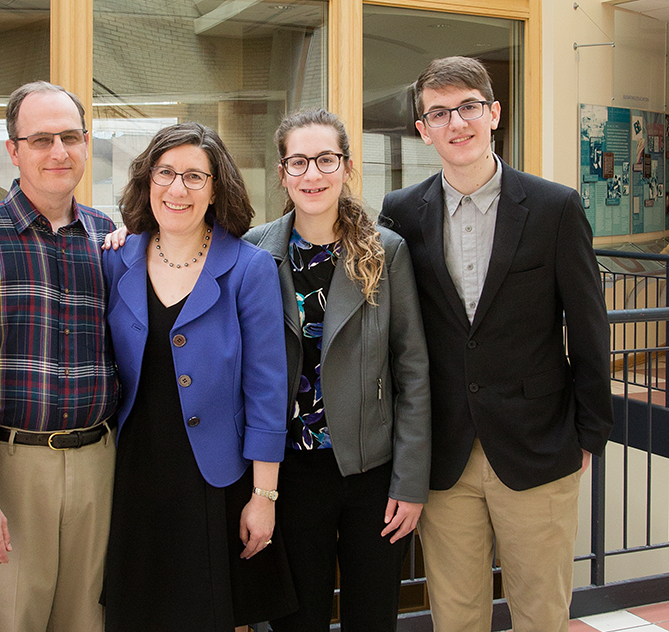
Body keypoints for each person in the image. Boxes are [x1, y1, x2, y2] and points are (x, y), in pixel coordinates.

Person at [379, 56, 613, 632]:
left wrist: (590, 434)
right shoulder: (401, 213)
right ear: (423, 129)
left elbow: (588, 327)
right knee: (456, 618)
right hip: (445, 455)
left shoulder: (556, 207)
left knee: (541, 614)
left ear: (494, 114)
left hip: (539, 447)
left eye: (469, 108)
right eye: (440, 113)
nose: (456, 123)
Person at [0, 81, 118, 632]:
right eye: (40, 140)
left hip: (99, 462)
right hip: (12, 467)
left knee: (89, 620)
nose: (58, 152)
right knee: (12, 621)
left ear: (86, 144)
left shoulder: (109, 239)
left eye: (70, 137)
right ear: (13, 151)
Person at [101, 121, 297, 632]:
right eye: (165, 173)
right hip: (136, 476)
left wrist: (264, 496)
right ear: (148, 182)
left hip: (217, 478)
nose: (178, 188)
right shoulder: (117, 259)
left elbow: (268, 389)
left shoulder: (248, 268)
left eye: (194, 176)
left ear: (215, 189)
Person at [242, 109, 430, 632]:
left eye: (326, 159)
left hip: (371, 475)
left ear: (346, 167)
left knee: (372, 618)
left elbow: (411, 369)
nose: (312, 174)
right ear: (282, 173)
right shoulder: (255, 252)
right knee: (297, 619)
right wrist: (129, 233)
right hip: (288, 474)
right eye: (298, 162)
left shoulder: (385, 252)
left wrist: (410, 483)